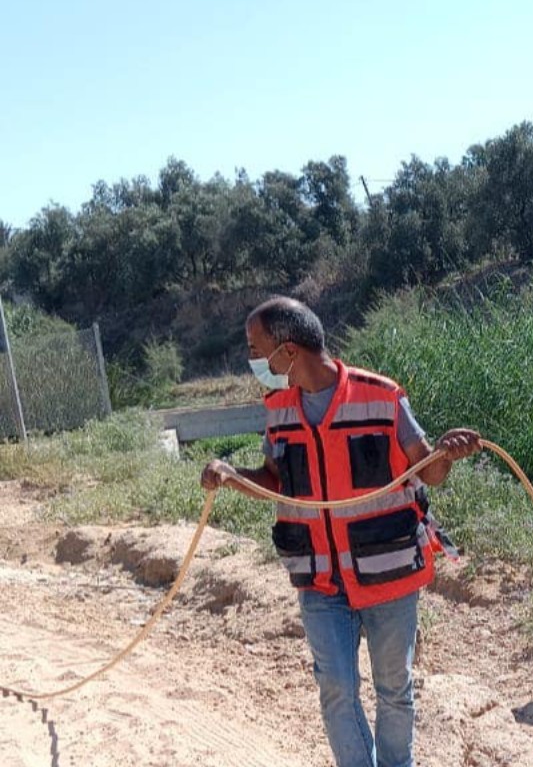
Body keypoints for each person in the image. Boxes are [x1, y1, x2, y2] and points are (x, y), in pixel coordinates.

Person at [200, 297, 480, 767]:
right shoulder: (279, 408)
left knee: (395, 691)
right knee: (336, 692)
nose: (252, 360)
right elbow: (275, 480)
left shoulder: (381, 396)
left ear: (287, 351)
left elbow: (427, 472)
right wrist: (232, 475)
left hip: (387, 575)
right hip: (320, 582)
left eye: (256, 348)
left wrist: (448, 454)